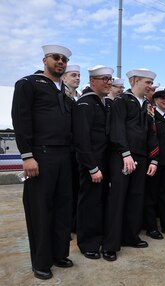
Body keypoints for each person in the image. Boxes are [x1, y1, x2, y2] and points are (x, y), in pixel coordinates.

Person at [12, 44, 74, 280]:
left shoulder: (65, 91)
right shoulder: (28, 84)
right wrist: (27, 155)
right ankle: (41, 261)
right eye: (56, 58)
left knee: (62, 208)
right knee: (40, 210)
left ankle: (59, 254)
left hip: (64, 156)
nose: (60, 62)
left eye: (64, 60)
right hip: (41, 155)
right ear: (44, 60)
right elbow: (21, 119)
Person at [102, 68, 159, 262]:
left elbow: (151, 133)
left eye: (151, 83)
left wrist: (154, 159)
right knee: (118, 200)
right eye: (147, 82)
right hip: (123, 156)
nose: (150, 86)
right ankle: (111, 244)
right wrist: (125, 153)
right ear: (134, 80)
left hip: (142, 158)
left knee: (136, 198)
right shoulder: (122, 101)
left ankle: (130, 236)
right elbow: (116, 129)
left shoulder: (147, 106)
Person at [73, 65, 113, 259]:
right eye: (104, 78)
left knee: (100, 203)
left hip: (104, 164)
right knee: (89, 204)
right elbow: (82, 139)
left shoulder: (103, 102)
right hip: (92, 165)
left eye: (110, 79)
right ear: (92, 81)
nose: (108, 82)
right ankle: (87, 243)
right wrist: (92, 167)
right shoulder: (86, 103)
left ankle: (99, 237)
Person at [144, 87, 165, 239]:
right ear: (156, 100)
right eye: (162, 99)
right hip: (156, 161)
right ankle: (151, 227)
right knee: (151, 196)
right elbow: (150, 138)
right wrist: (154, 158)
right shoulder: (151, 115)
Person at [62, 64, 81, 232]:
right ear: (64, 78)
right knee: (64, 192)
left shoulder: (79, 97)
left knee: (76, 189)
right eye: (73, 75)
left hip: (78, 151)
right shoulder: (61, 95)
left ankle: (74, 224)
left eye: (79, 75)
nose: (77, 78)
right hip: (65, 150)